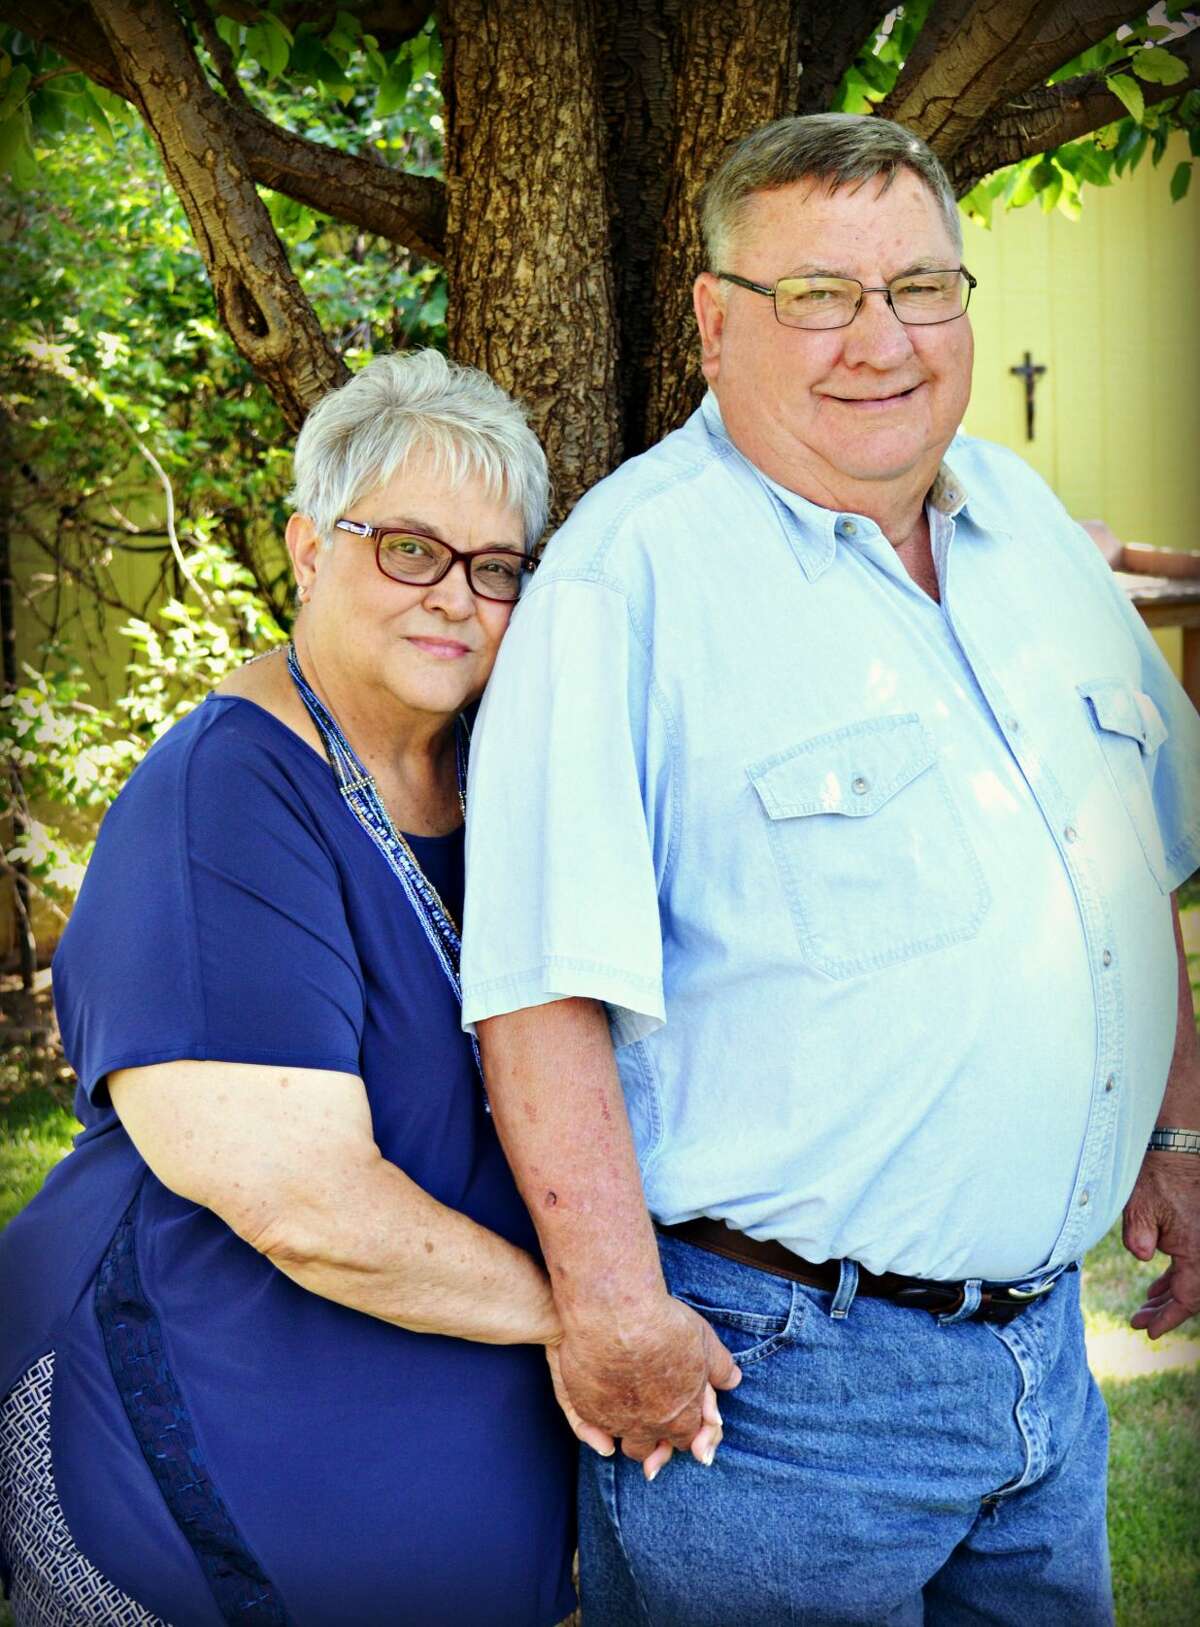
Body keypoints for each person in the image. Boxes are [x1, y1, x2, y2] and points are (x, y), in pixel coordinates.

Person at [459, 114, 1200, 1624]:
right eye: (819, 295)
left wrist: (1180, 1144)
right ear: (718, 321)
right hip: (778, 1392)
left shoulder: (1032, 529)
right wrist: (613, 1306)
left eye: (921, 286)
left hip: (1044, 1363)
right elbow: (538, 985)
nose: (882, 339)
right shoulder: (628, 583)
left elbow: (1136, 872)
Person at [0, 350, 625, 1627]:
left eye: (495, 567)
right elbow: (306, 1201)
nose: (455, 596)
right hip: (183, 1482)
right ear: (304, 546)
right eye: (407, 547)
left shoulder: (496, 783)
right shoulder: (225, 795)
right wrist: (602, 1316)